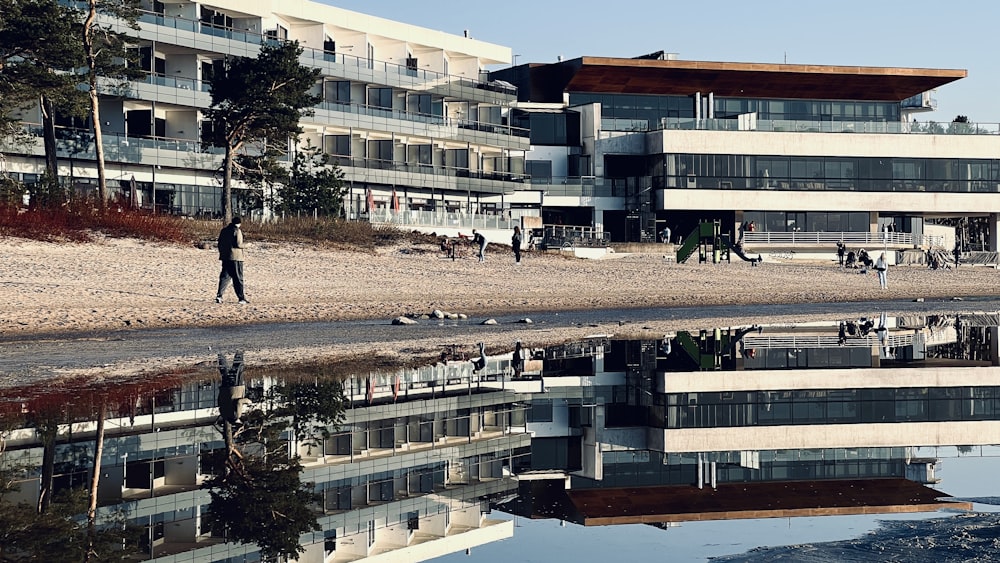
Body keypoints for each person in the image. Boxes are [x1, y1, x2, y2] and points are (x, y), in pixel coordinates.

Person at [216, 215, 248, 304]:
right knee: (238, 278)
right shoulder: (237, 231)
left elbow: (219, 243)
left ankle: (219, 296)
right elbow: (239, 244)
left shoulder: (224, 230)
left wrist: (222, 253)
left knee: (225, 277)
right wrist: (248, 245)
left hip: (225, 257)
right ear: (239, 223)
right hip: (236, 258)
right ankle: (241, 298)